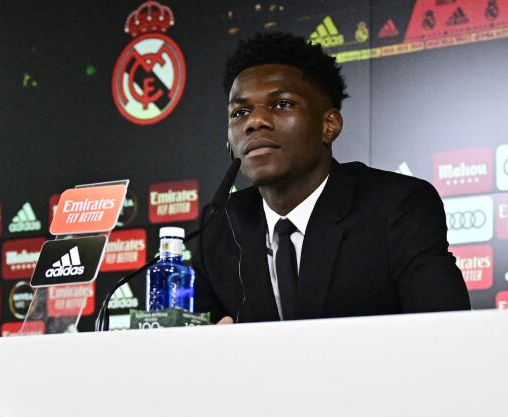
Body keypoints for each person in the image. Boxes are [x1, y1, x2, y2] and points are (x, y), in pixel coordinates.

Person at [192, 32, 470, 324]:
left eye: (282, 104)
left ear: (329, 125)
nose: (254, 121)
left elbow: (446, 332)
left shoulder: (397, 207)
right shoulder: (218, 227)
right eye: (240, 112)